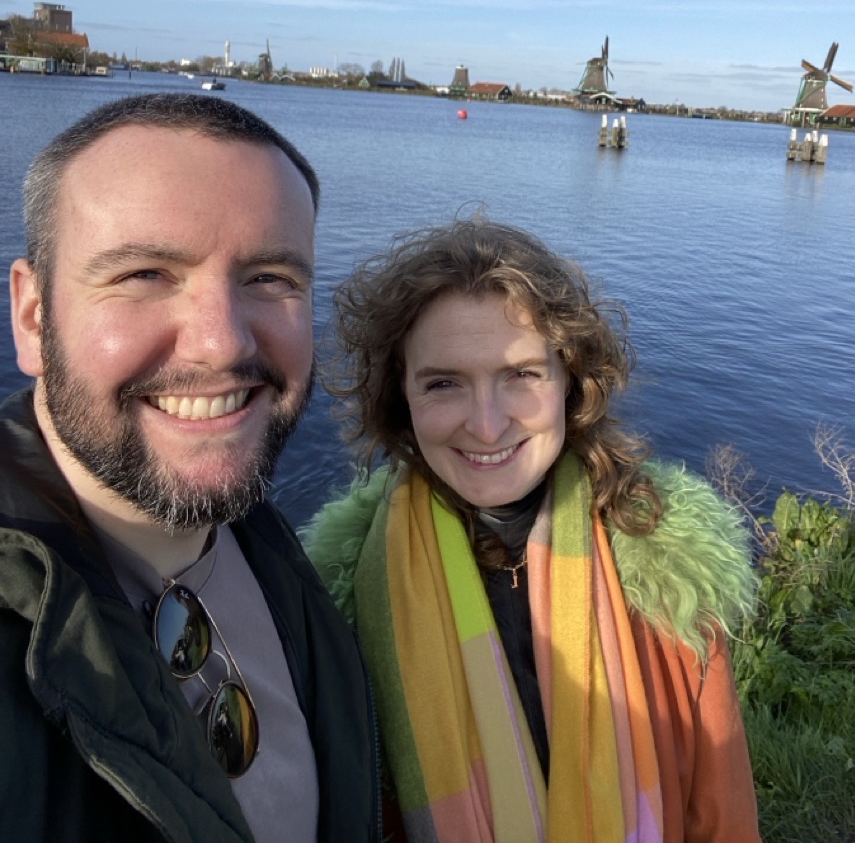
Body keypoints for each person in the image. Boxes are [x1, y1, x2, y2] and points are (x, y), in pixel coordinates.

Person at [304, 217, 762, 843]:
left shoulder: (663, 562)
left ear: (570, 382)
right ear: (400, 402)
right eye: (444, 383)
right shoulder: (348, 595)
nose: (488, 426)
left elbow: (720, 810)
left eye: (521, 374)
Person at [0, 94, 380, 843]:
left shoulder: (270, 550)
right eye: (145, 273)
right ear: (34, 318)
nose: (219, 344)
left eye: (270, 278)